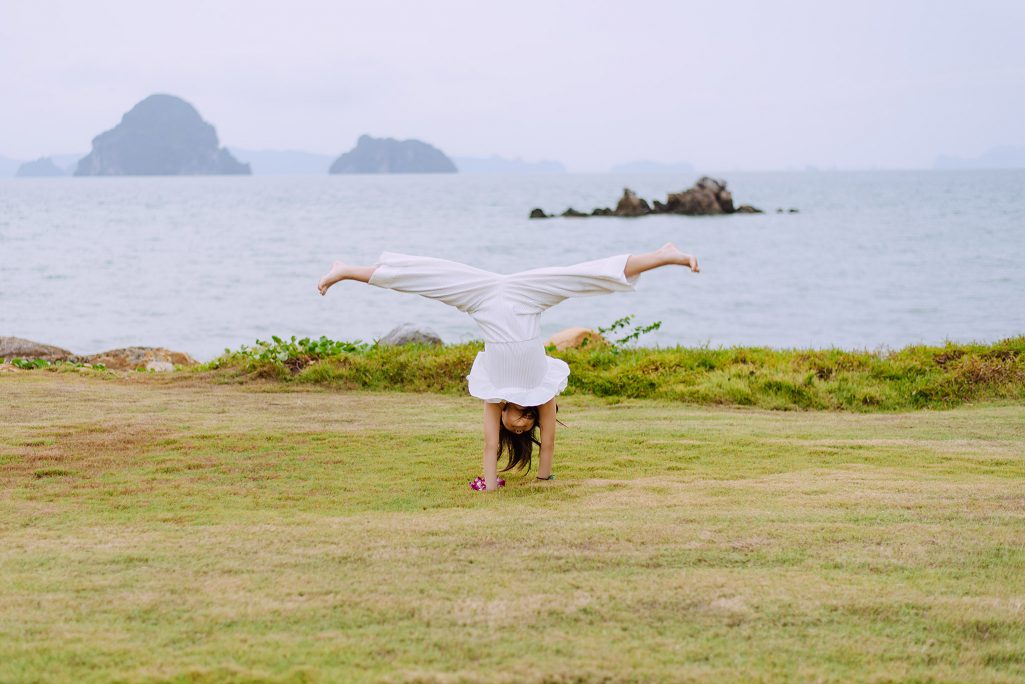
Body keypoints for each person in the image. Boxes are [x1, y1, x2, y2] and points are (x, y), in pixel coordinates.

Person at [317, 243, 699, 491]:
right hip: (523, 296)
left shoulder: (493, 393)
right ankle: (345, 268)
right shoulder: (542, 391)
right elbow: (548, 441)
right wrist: (544, 479)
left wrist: (490, 482)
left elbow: (489, 445)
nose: (523, 424)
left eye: (520, 426)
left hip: (485, 299)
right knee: (582, 276)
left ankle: (665, 255)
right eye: (527, 423)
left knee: (429, 278)